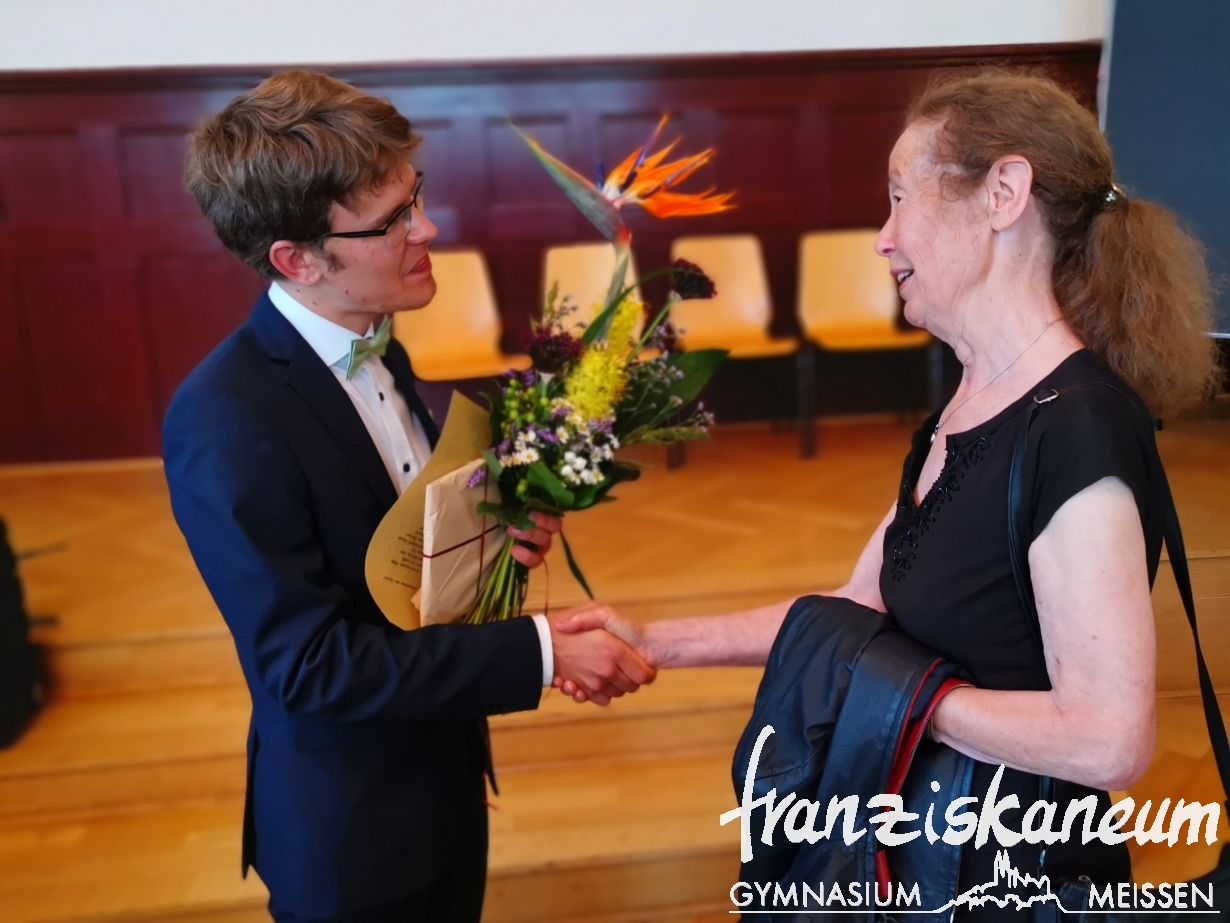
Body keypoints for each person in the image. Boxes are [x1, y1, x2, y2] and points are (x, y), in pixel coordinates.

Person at [555, 70, 1218, 917]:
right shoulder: (968, 403)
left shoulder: (1078, 426)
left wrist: (911, 702)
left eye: (902, 196)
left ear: (1004, 194)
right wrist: (654, 640)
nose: (883, 236)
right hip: (923, 850)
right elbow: (853, 611)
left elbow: (1108, 741)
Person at [164, 71, 655, 923]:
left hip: (443, 780)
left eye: (415, 197)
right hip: (352, 831)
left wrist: (495, 538)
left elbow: (396, 561)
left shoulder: (381, 347)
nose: (427, 228)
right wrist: (541, 653)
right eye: (392, 220)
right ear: (296, 260)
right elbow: (311, 667)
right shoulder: (225, 416)